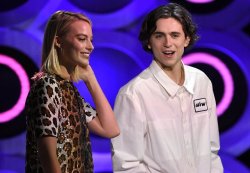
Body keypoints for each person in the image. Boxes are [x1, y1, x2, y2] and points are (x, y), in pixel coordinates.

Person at [111, 3, 223, 173]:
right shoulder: (133, 94)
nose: (168, 43)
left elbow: (212, 151)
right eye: (159, 36)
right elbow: (126, 166)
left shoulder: (202, 82)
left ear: (186, 39)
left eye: (175, 35)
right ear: (149, 41)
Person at [25, 10, 120, 173]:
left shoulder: (68, 90)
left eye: (91, 40)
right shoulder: (47, 85)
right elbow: (48, 155)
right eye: (82, 39)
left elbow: (110, 129)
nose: (90, 47)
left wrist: (91, 80)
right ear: (58, 41)